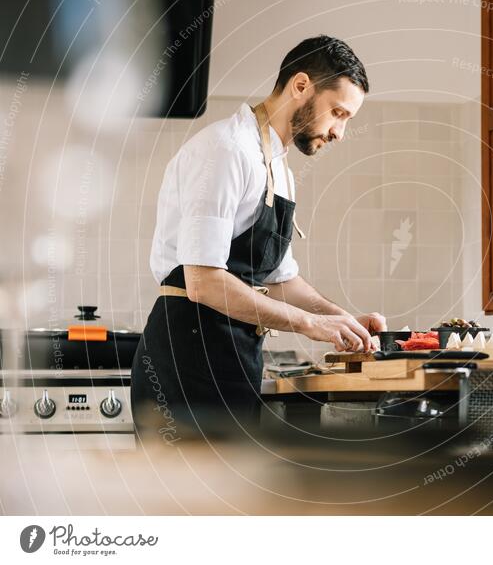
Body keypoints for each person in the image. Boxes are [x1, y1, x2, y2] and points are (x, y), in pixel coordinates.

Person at [130, 35, 386, 442]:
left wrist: (340, 318)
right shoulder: (226, 151)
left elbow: (280, 279)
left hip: (234, 358)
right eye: (337, 112)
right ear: (300, 86)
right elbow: (203, 282)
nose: (340, 132)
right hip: (187, 362)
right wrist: (309, 325)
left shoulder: (278, 165)